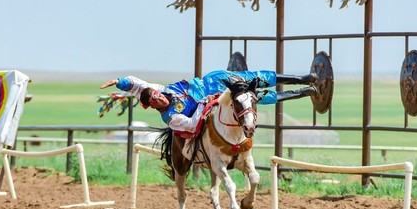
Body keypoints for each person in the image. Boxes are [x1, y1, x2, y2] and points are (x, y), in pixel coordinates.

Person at [100, 70, 316, 134]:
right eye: (155, 101)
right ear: (152, 106)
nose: (159, 98)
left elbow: (138, 85)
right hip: (213, 102)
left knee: (252, 78)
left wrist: (120, 82)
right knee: (251, 99)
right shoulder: (172, 117)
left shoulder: (160, 90)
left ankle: (301, 78)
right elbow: (192, 124)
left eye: (157, 95)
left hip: (210, 82)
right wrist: (205, 104)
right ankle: (302, 92)